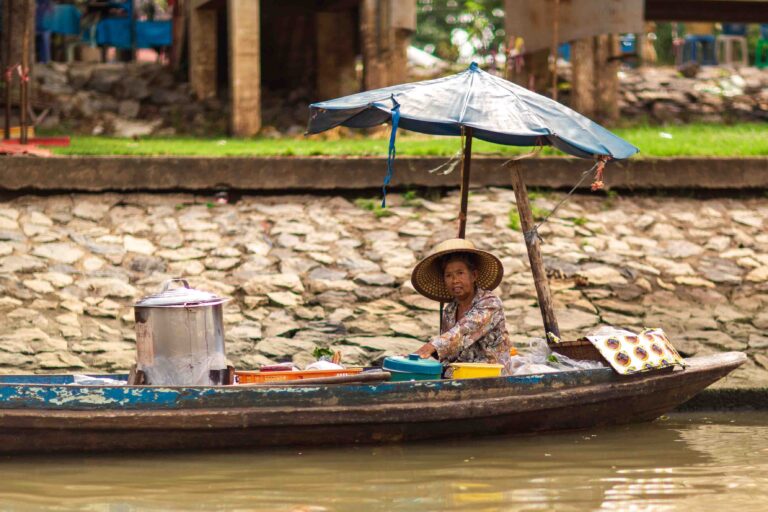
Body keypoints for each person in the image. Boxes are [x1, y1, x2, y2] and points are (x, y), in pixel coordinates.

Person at [411, 238, 513, 375]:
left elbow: (462, 332)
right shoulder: (449, 310)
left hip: (492, 376)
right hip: (462, 374)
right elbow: (449, 353)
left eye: (460, 273)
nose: (455, 281)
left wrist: (431, 347)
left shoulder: (490, 303)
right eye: (448, 275)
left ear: (474, 275)